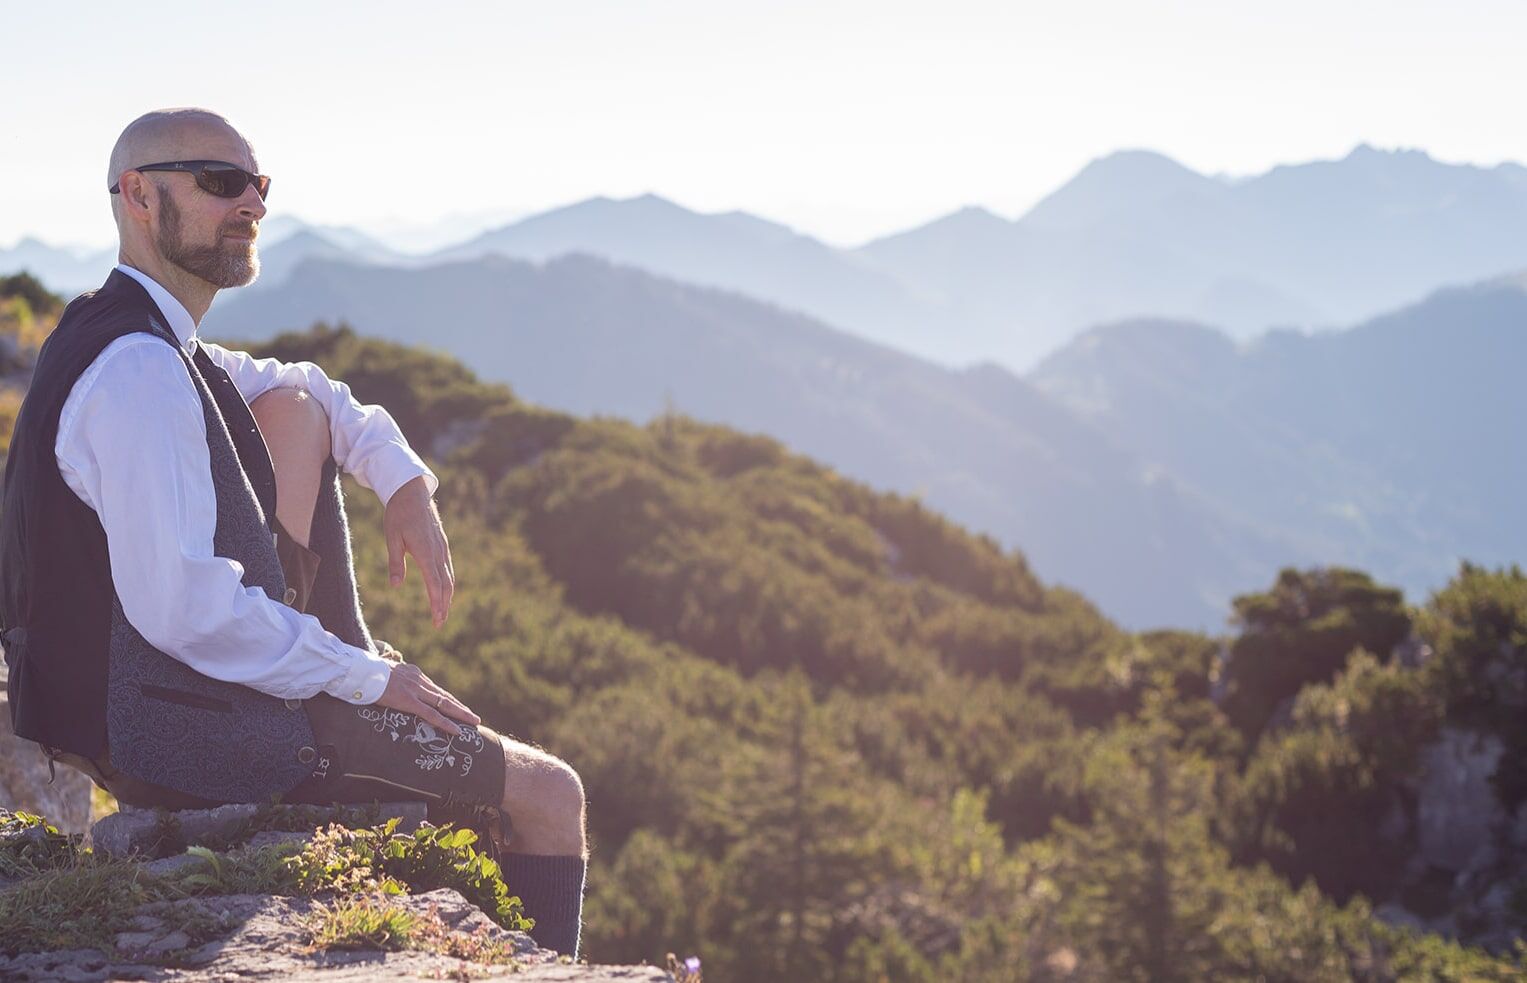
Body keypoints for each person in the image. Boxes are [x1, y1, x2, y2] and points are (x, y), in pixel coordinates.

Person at [0, 108, 585, 956]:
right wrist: (357, 678)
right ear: (136, 195)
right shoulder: (135, 371)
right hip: (173, 726)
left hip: (170, 696)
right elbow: (183, 610)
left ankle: (337, 677)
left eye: (257, 183)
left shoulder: (147, 337)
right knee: (548, 793)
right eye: (218, 182)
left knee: (294, 408)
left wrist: (405, 483)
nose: (251, 204)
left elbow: (310, 388)